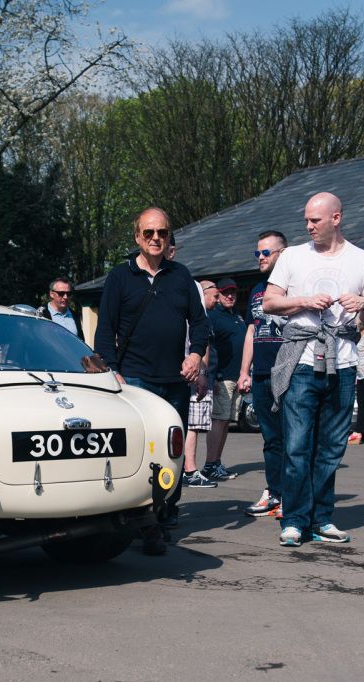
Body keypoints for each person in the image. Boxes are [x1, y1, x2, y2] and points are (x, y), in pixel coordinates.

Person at [262, 192, 364, 547]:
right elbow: (269, 302)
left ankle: (322, 519)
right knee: (296, 446)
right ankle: (294, 520)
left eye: (315, 220)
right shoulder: (293, 256)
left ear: (336, 218)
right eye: (306, 221)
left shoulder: (363, 259)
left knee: (331, 448)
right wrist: (304, 301)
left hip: (343, 364)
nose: (309, 226)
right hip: (301, 361)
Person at [94, 207, 210, 555]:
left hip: (175, 381)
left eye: (162, 232)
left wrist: (196, 357)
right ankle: (148, 524)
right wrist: (113, 371)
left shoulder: (181, 275)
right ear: (137, 237)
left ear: (169, 236)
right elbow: (105, 331)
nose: (156, 238)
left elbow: (200, 324)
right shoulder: (120, 276)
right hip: (135, 380)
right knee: (143, 452)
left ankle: (164, 511)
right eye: (149, 233)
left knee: (172, 453)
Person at [238, 231, 289, 517]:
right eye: (257, 253)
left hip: (288, 373)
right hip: (260, 375)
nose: (260, 257)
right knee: (271, 439)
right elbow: (251, 331)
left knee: (293, 438)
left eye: (266, 252)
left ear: (282, 253)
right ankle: (274, 492)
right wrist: (244, 371)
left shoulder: (293, 286)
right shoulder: (257, 290)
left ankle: (292, 495)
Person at [202, 277, 247, 481]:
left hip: (237, 377)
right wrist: (213, 376)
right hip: (222, 378)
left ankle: (217, 462)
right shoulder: (212, 315)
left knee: (227, 421)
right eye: (226, 292)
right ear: (218, 295)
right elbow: (208, 347)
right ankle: (209, 465)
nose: (230, 296)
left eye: (233, 292)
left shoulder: (237, 315)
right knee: (218, 420)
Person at [183, 281, 219, 488]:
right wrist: (202, 373)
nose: (218, 300)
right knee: (193, 425)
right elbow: (199, 344)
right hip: (191, 372)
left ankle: (186, 469)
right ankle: (189, 470)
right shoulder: (195, 313)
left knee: (192, 424)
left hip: (195, 372)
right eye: (215, 296)